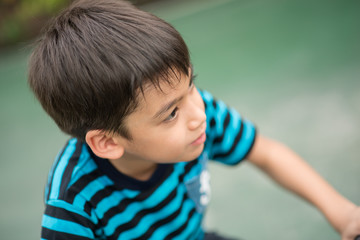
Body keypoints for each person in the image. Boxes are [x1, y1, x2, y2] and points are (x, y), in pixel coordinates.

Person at [28, 0, 360, 239]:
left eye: (191, 86)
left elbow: (266, 152)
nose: (198, 114)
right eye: (171, 113)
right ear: (108, 142)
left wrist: (343, 214)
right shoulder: (73, 201)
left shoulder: (199, 115)